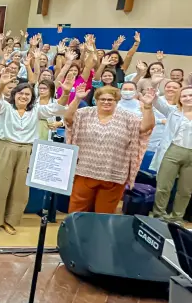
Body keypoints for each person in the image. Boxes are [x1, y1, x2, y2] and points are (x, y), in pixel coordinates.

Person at [0, 74, 75, 235]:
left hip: (27, 150)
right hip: (5, 147)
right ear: (14, 95)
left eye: (27, 95)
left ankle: (9, 220)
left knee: (20, 189)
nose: (23, 97)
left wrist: (65, 93)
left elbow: (57, 107)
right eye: (20, 93)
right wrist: (1, 85)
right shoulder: (6, 108)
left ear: (32, 98)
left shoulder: (36, 111)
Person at [65, 85, 156, 213]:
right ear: (96, 100)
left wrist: (147, 106)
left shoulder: (128, 117)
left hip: (115, 174)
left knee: (104, 213)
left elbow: (146, 127)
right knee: (77, 211)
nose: (106, 102)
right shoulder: (84, 113)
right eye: (102, 99)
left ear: (117, 101)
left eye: (110, 100)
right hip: (84, 171)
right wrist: (77, 99)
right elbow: (68, 119)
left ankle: (100, 233)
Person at [150, 86, 192, 222]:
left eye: (191, 95)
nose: (188, 98)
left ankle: (176, 217)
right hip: (172, 151)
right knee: (163, 187)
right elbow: (156, 102)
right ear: (179, 98)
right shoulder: (173, 111)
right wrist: (155, 85)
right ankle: (158, 215)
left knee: (185, 191)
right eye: (184, 96)